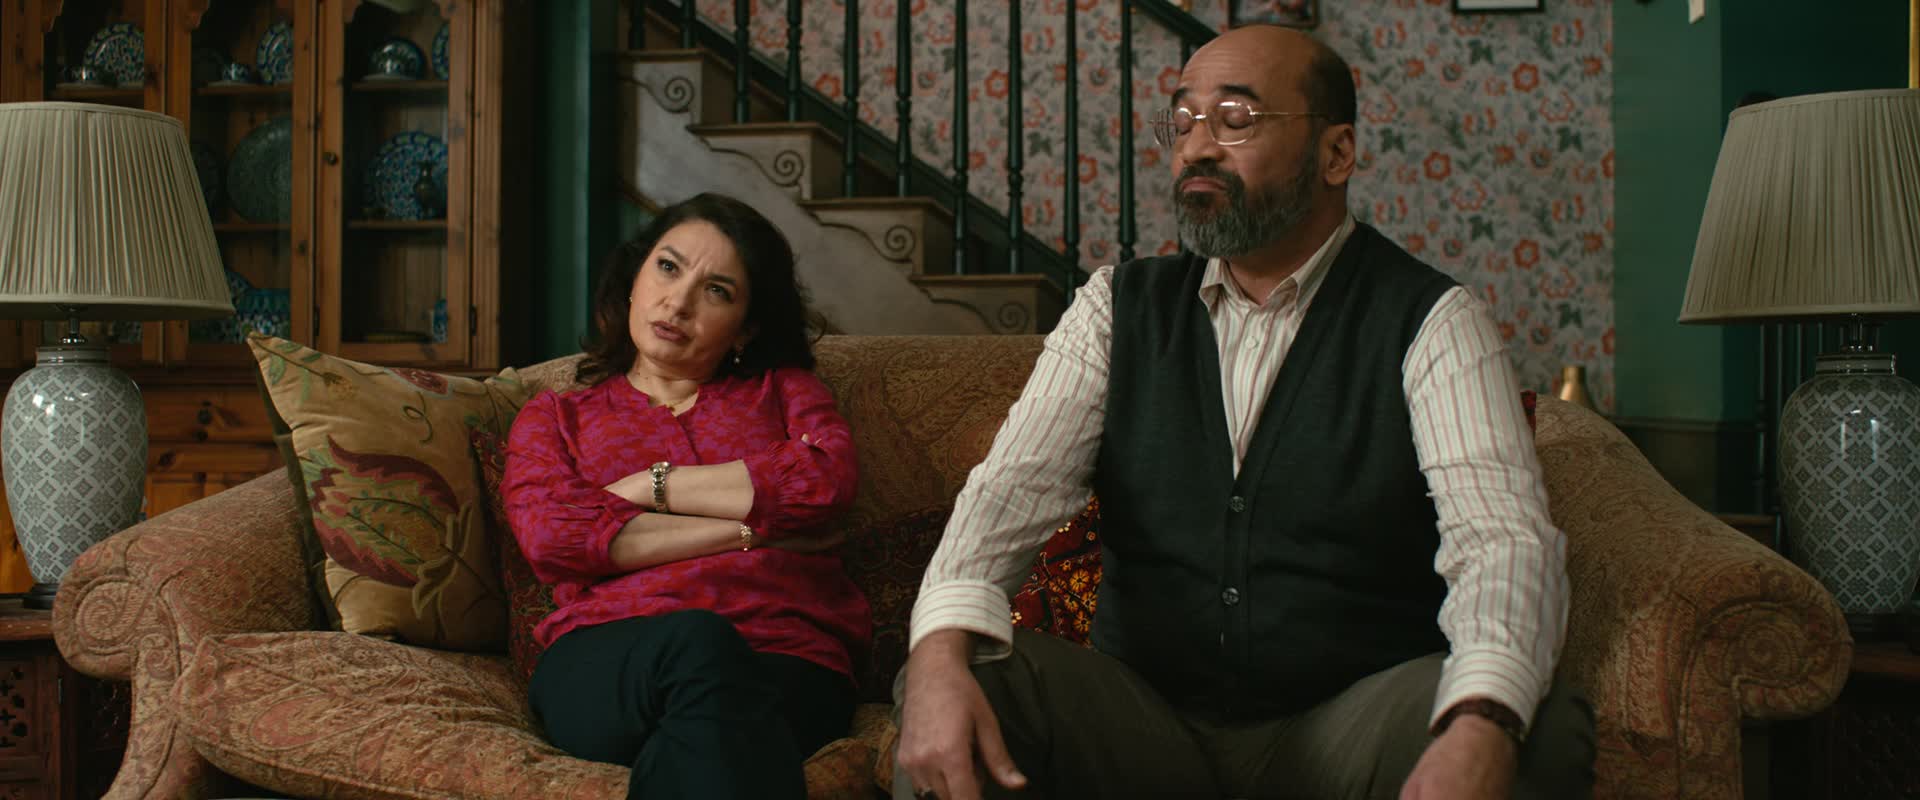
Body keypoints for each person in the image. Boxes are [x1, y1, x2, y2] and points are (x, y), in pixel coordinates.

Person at [893, 25, 1594, 800]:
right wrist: (936, 651)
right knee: (958, 675)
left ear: (1336, 153)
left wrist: (1482, 719)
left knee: (1532, 727)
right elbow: (1008, 494)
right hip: (1143, 729)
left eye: (1235, 119)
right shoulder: (1116, 308)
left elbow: (1501, 540)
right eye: (1182, 121)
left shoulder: (1432, 320)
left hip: (1348, 727)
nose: (1196, 147)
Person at [501, 192, 865, 799]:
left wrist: (653, 486)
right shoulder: (556, 417)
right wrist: (751, 531)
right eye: (668, 268)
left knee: (705, 707)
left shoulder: (784, 391)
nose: (678, 302)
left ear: (747, 326)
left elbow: (824, 482)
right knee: (698, 642)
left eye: (717, 291)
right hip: (606, 660)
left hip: (783, 656)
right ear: (635, 279)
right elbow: (555, 539)